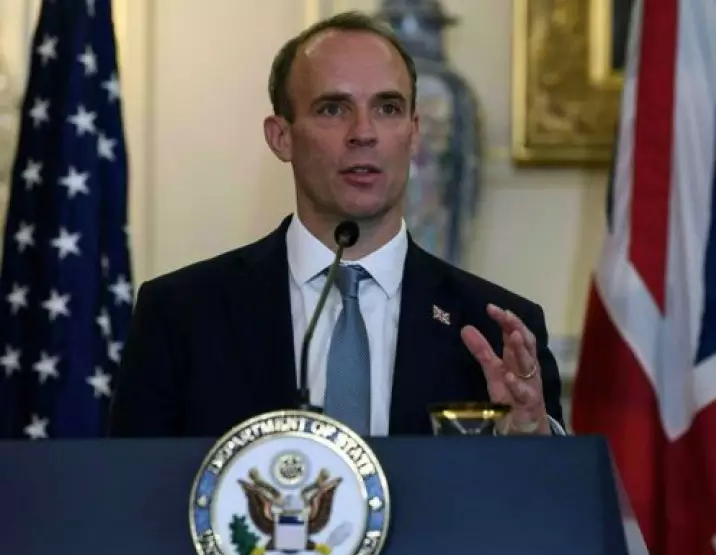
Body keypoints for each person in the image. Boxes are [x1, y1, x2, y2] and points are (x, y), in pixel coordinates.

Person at [107, 11, 565, 438]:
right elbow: (134, 488)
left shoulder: (497, 332)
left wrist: (532, 439)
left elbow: (549, 494)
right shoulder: (181, 317)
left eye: (387, 108)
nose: (363, 133)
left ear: (413, 133)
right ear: (281, 137)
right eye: (333, 108)